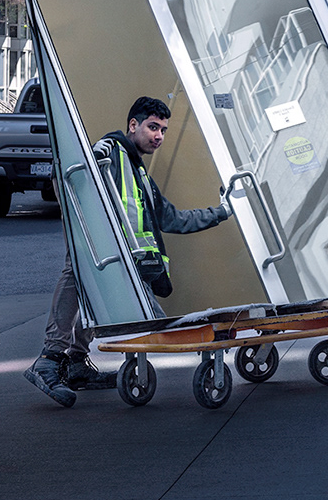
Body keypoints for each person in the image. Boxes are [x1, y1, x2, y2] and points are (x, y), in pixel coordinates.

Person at [25, 96, 233, 407]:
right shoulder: (112, 149)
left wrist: (222, 212)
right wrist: (95, 154)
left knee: (96, 291)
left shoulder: (140, 176)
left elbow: (173, 219)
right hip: (101, 242)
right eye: (153, 127)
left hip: (127, 257)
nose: (159, 136)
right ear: (133, 125)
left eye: (163, 130)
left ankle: (77, 363)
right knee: (79, 271)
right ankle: (49, 359)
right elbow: (79, 166)